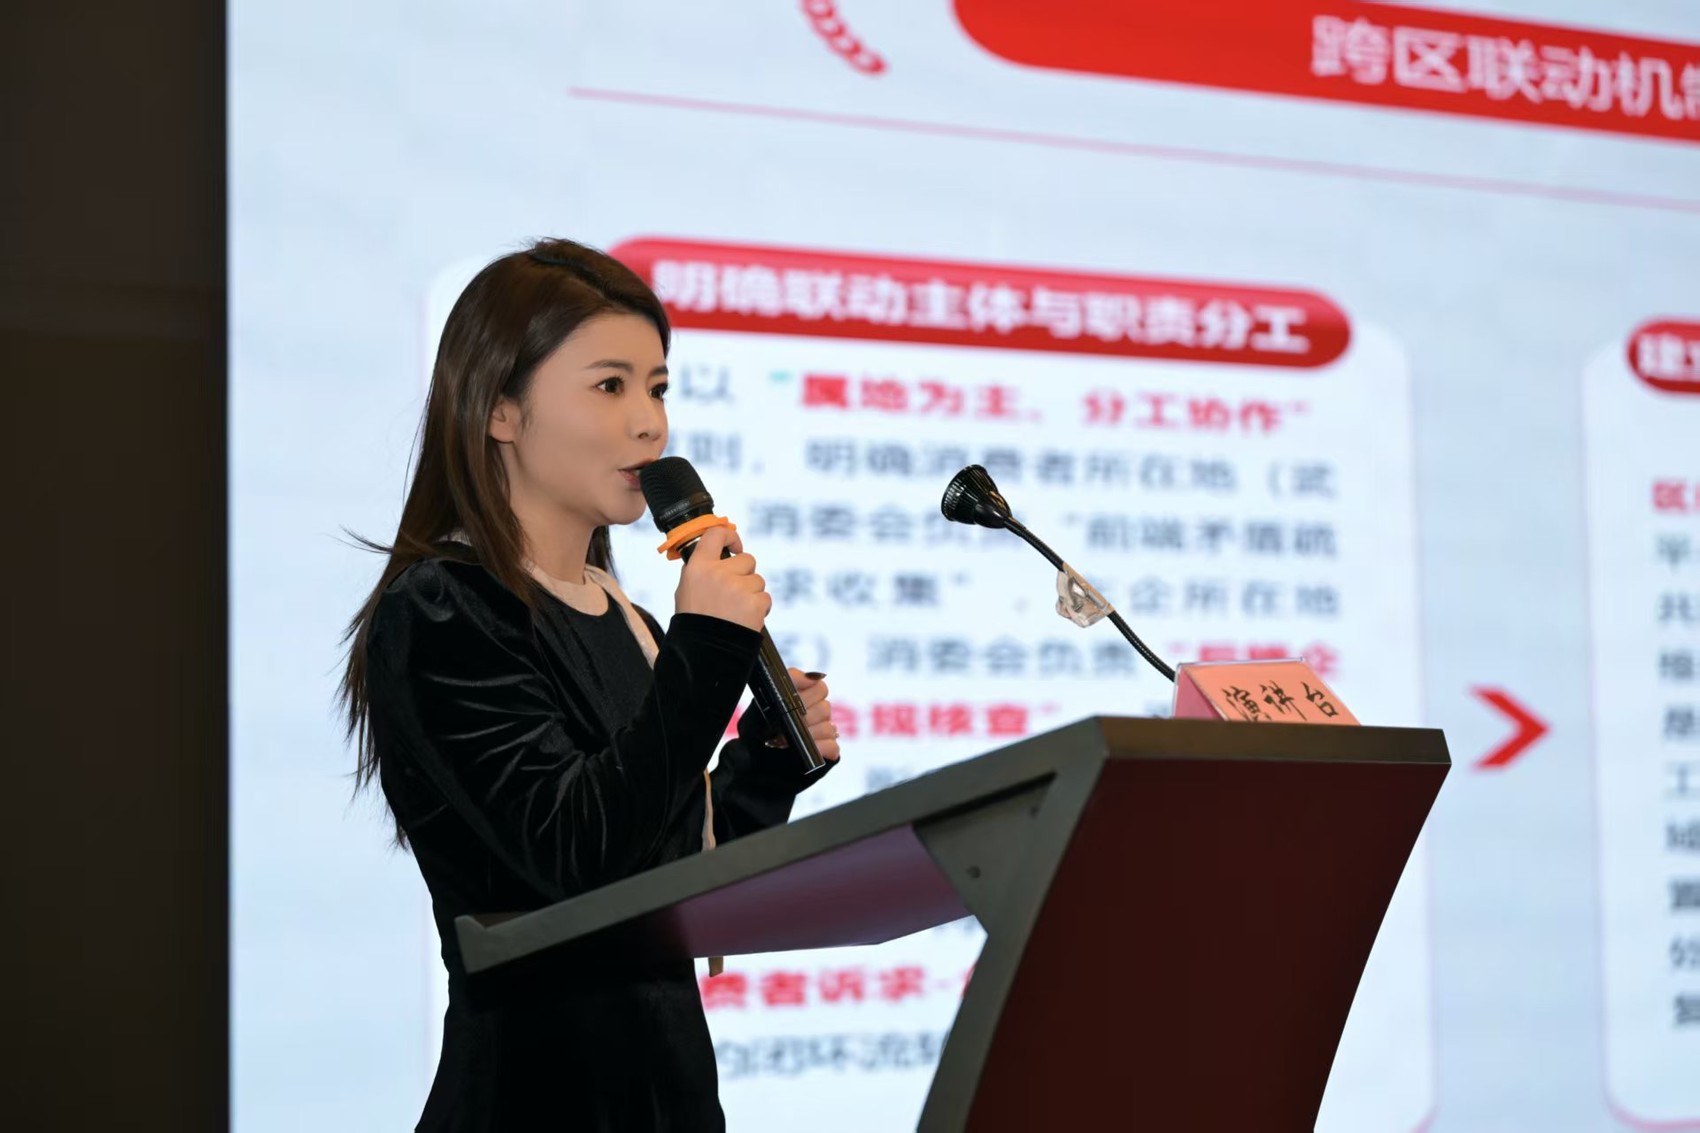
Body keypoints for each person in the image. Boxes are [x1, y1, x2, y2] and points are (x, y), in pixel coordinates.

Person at [339, 237, 840, 1131]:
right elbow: (574, 854)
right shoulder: (446, 609)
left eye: (658, 389)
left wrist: (764, 765)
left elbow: (667, 876)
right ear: (500, 409)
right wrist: (703, 651)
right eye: (610, 386)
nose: (649, 425)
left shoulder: (632, 620)